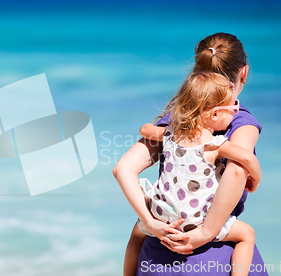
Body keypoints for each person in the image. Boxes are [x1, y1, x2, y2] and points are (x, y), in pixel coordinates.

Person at [113, 32, 268, 275]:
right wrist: (205, 233)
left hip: (158, 245)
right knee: (246, 235)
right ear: (244, 73)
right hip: (214, 252)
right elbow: (238, 171)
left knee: (137, 230)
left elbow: (124, 167)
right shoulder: (241, 123)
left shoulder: (175, 122)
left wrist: (151, 223)